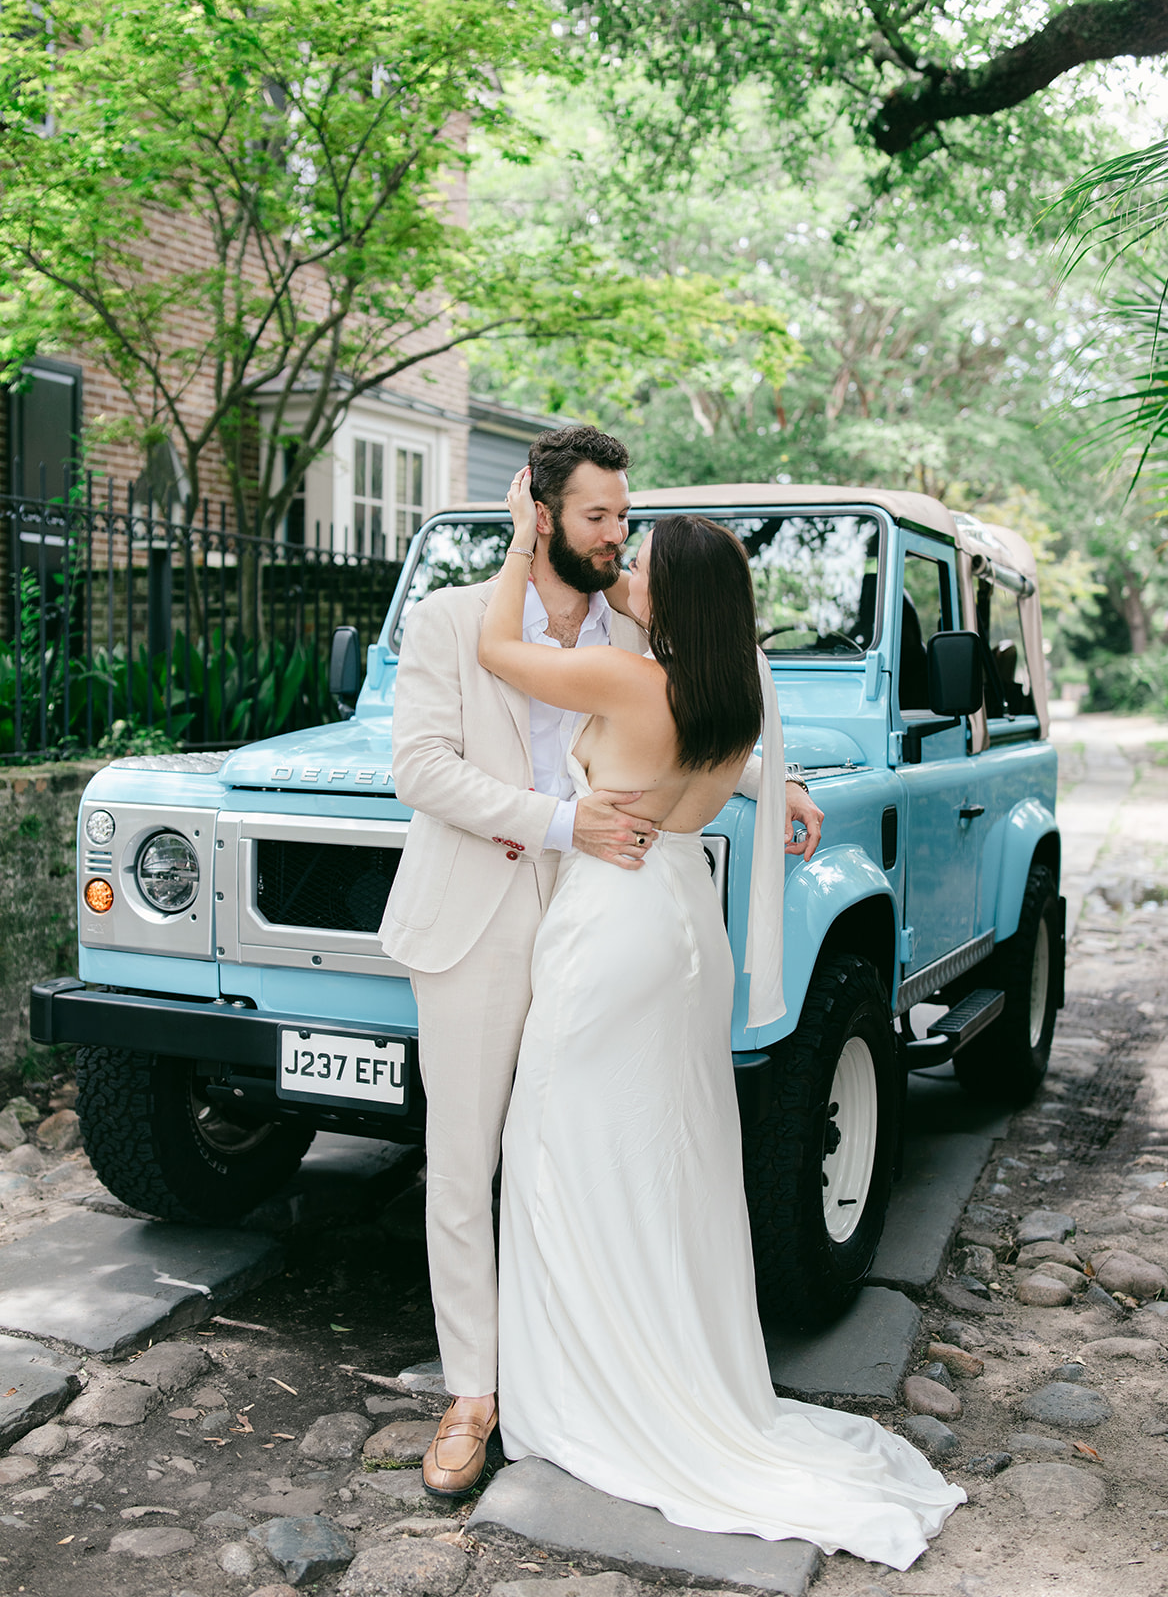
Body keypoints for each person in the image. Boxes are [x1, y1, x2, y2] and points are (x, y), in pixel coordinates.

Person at [477, 473, 965, 1572]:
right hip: (682, 922)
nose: (626, 564)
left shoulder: (628, 676)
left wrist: (521, 541)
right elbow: (725, 767)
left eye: (642, 560)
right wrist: (776, 790)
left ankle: (594, 1386)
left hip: (612, 923)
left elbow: (500, 651)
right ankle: (663, 1360)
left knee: (567, 1141)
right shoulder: (728, 692)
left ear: (675, 593)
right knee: (664, 1151)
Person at [380, 426, 824, 1499]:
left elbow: (689, 710)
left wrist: (776, 783)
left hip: (602, 923)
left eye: (626, 517)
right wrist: (559, 823)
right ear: (540, 515)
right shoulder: (450, 621)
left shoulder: (631, 633)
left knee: (594, 1151)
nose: (618, 535)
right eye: (598, 516)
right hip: (489, 913)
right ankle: (474, 1394)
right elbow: (420, 769)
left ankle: (586, 1375)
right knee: (466, 1162)